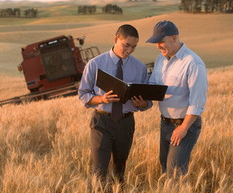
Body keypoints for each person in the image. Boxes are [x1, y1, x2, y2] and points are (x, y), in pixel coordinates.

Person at [78, 24, 153, 189]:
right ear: (115, 40)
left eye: (134, 47)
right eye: (126, 45)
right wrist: (101, 99)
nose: (130, 50)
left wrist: (143, 104)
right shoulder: (95, 64)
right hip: (101, 122)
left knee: (119, 172)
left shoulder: (140, 68)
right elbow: (83, 95)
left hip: (126, 124)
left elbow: (149, 101)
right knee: (98, 172)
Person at [146, 20, 208, 179]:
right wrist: (142, 99)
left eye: (161, 42)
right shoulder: (160, 59)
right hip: (165, 123)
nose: (158, 46)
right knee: (166, 169)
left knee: (175, 174)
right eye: (156, 43)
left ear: (174, 38)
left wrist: (183, 128)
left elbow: (197, 103)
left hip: (184, 126)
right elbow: (153, 85)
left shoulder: (193, 63)